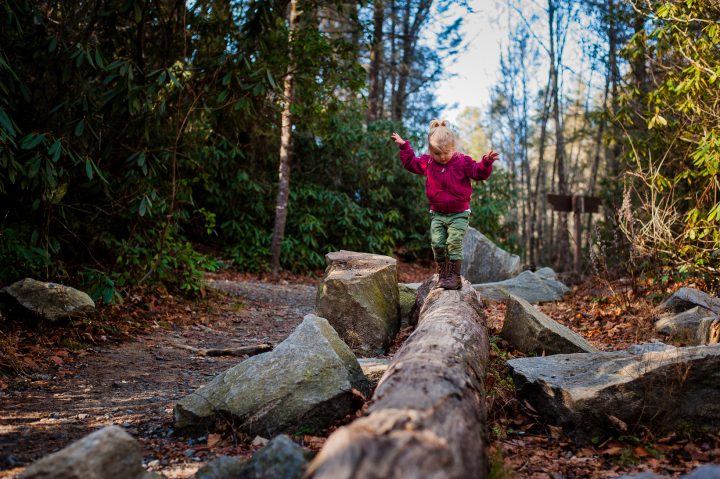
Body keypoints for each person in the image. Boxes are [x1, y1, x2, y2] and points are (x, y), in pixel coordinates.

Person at [392, 119, 499, 290]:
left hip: (459, 213)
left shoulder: (463, 162)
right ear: (430, 151)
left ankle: (454, 278)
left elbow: (479, 173)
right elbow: (411, 164)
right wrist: (405, 147)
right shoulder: (428, 162)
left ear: (454, 147)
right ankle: (443, 274)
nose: (442, 157)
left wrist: (486, 162)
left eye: (446, 153)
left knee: (454, 242)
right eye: (437, 154)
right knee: (438, 244)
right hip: (437, 213)